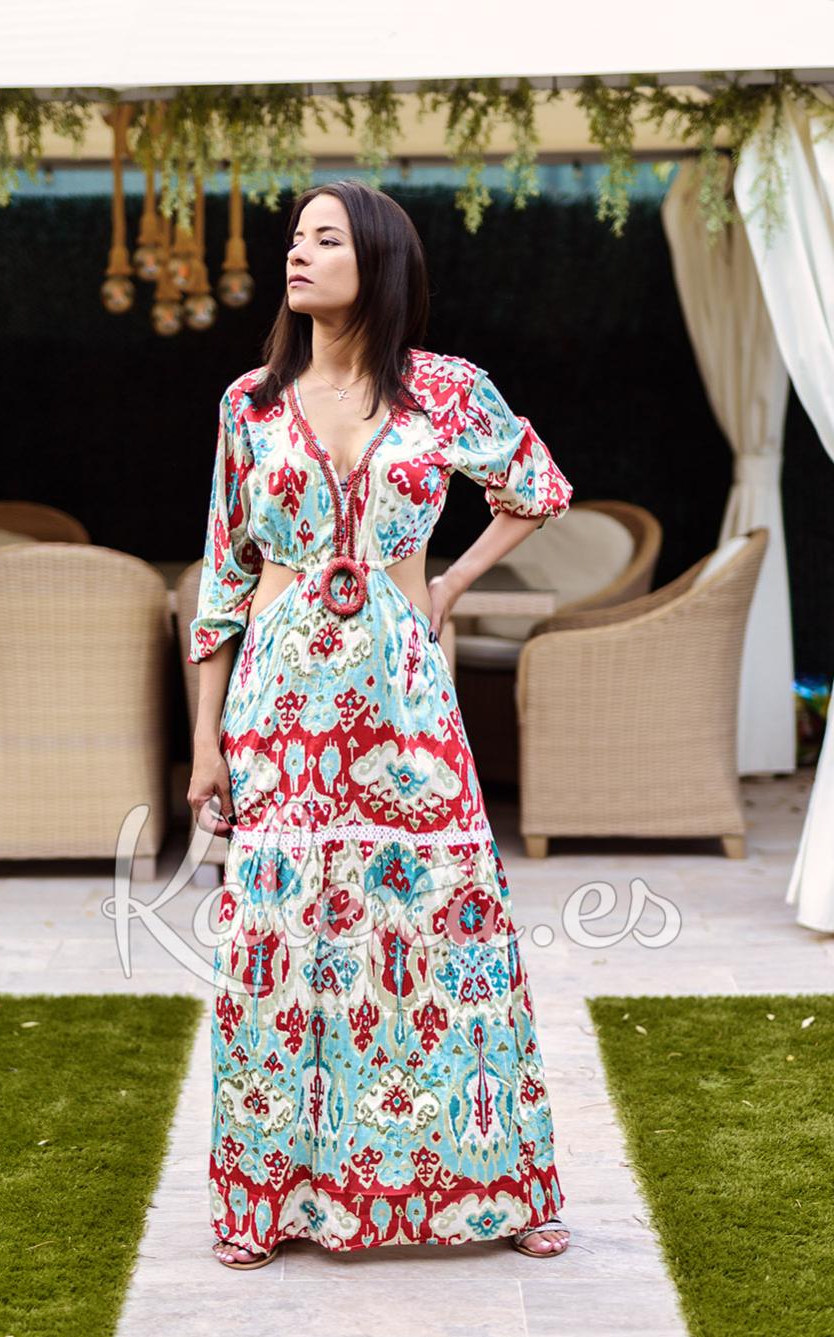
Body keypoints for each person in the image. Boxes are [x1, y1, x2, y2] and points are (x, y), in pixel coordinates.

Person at [187, 179, 573, 1269]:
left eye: (325, 238)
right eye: (294, 238)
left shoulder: (447, 390)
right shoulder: (249, 404)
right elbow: (222, 576)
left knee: (448, 928)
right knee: (281, 945)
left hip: (405, 698)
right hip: (280, 704)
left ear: (378, 261)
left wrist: (444, 586)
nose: (297, 254)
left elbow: (537, 487)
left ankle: (499, 1187)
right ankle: (269, 1202)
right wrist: (206, 741)